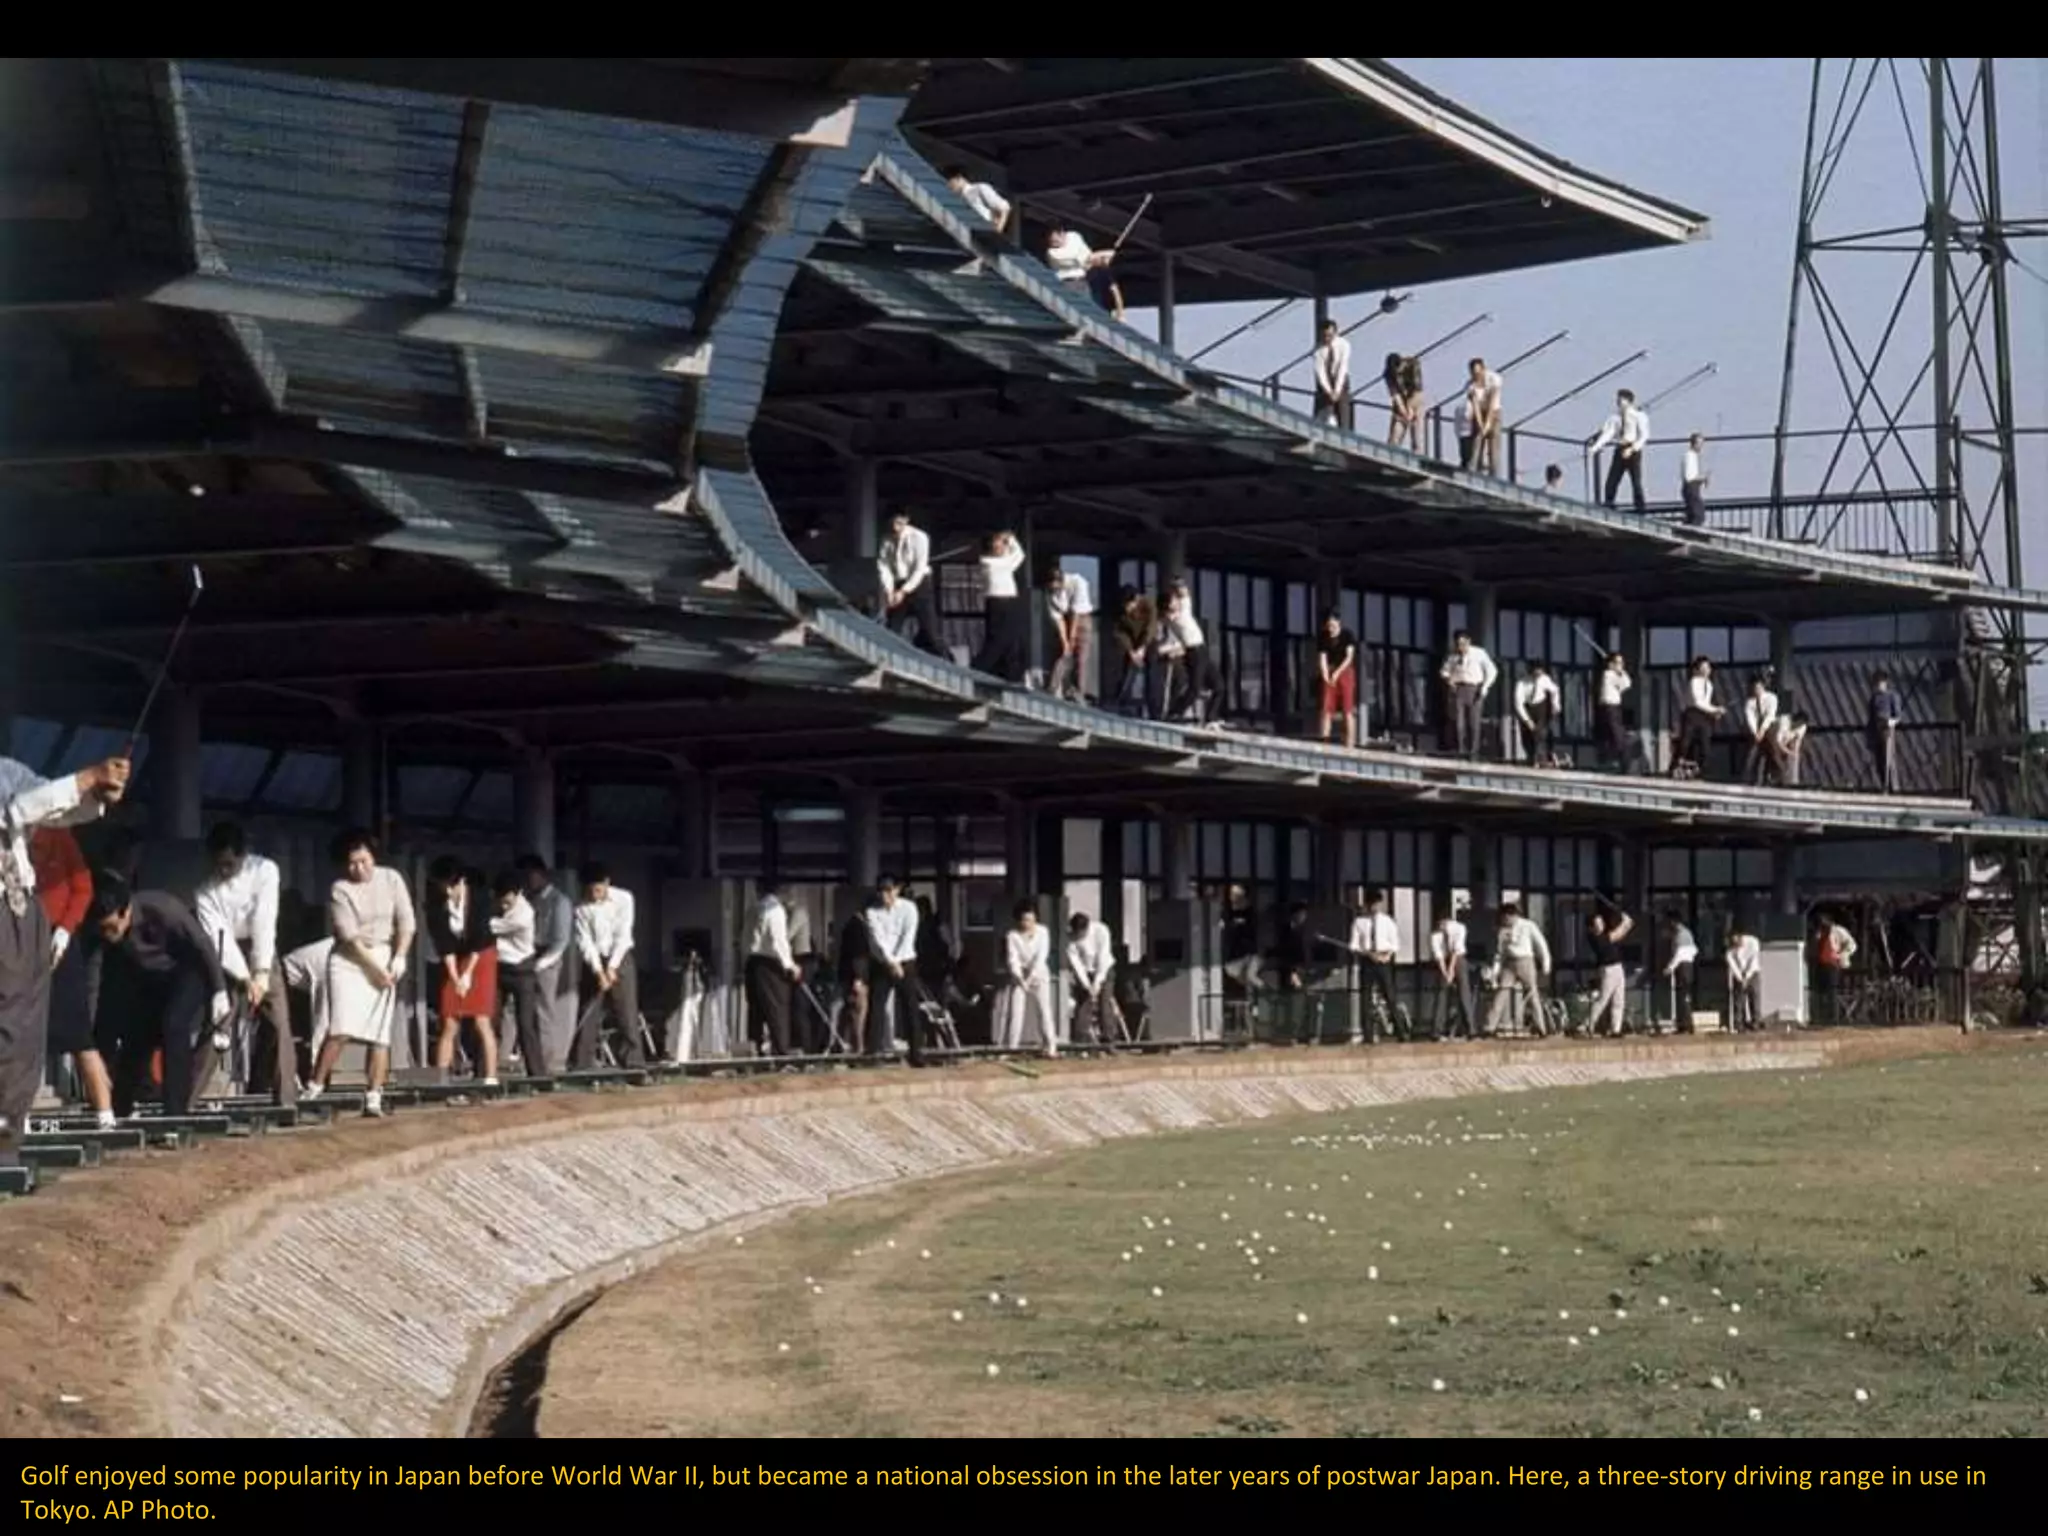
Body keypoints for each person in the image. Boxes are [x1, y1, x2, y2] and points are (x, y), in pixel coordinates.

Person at [1, 753, 128, 1161]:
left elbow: (53, 805)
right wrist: (88, 777)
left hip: (24, 909)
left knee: (24, 1036)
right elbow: (20, 808)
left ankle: (6, 1142)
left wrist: (96, 793)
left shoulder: (10, 769)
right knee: (11, 1025)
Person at [80, 870, 230, 1120]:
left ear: (125, 912)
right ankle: (117, 1109)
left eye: (111, 927)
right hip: (147, 979)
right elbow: (97, 978)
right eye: (102, 929)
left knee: (174, 1025)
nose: (108, 933)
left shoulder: (163, 908)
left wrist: (219, 989)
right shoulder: (102, 935)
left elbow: (202, 945)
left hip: (185, 972)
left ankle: (175, 1112)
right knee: (136, 1037)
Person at [303, 829, 414, 1118]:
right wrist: (375, 970)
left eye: (364, 860)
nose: (359, 868)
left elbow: (406, 921)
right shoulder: (340, 888)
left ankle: (374, 1095)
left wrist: (399, 956)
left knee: (379, 1033)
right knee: (340, 1028)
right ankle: (314, 1087)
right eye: (352, 863)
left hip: (384, 953)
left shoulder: (391, 878)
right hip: (350, 960)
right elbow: (349, 936)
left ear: (372, 855)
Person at [193, 820, 294, 1107]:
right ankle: (186, 1100)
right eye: (218, 864)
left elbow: (265, 919)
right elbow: (218, 937)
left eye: (229, 863)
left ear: (243, 854)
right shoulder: (205, 892)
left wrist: (261, 972)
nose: (224, 870)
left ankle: (285, 1101)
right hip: (227, 955)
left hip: (262, 948)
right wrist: (244, 978)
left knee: (279, 1024)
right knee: (218, 1023)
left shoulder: (264, 870)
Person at [31, 828, 113, 1129]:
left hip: (60, 940)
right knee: (18, 1032)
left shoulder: (59, 837)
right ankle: (16, 1114)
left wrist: (66, 929)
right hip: (20, 942)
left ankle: (105, 1114)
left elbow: (82, 887)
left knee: (79, 1033)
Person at [425, 857, 497, 1087]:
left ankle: (490, 1076)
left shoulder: (480, 899)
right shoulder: (435, 904)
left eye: (451, 886)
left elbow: (479, 938)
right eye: (442, 886)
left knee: (481, 1020)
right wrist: (456, 977)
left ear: (461, 882)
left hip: (482, 956)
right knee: (449, 1020)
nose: (447, 891)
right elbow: (443, 944)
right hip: (454, 958)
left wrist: (468, 974)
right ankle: (441, 1080)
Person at [570, 864, 642, 1069]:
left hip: (621, 957)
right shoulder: (581, 907)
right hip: (595, 961)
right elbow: (585, 943)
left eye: (598, 889)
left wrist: (612, 967)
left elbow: (624, 935)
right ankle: (582, 1064)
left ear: (607, 883)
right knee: (589, 1011)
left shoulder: (624, 899)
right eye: (590, 890)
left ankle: (633, 1062)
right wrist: (598, 971)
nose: (594, 894)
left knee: (626, 1010)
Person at [516, 854, 576, 1073]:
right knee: (521, 1010)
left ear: (541, 875)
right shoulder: (528, 900)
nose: (527, 881)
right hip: (526, 953)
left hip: (547, 958)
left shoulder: (559, 901)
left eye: (529, 875)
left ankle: (547, 1061)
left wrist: (541, 964)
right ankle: (524, 1059)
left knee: (543, 1010)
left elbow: (561, 941)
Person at [489, 871, 542, 1079]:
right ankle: (485, 1071)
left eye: (507, 901)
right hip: (499, 967)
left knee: (526, 1024)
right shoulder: (497, 903)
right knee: (490, 1021)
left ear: (517, 893)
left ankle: (537, 1074)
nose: (503, 905)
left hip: (522, 969)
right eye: (500, 900)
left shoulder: (524, 912)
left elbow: (491, 927)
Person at [863, 876, 920, 1061]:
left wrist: (899, 962)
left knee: (910, 1006)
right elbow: (878, 940)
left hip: (906, 960)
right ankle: (872, 1052)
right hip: (882, 963)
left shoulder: (909, 908)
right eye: (882, 891)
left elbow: (908, 936)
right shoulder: (872, 912)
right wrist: (891, 962)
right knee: (876, 1006)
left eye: (889, 890)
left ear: (897, 890)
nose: (885, 895)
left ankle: (916, 1053)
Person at [877, 510, 945, 658]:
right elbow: (884, 566)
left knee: (930, 630)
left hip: (920, 583)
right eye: (892, 523)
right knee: (892, 628)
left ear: (906, 520)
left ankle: (949, 663)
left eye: (899, 523)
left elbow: (919, 568)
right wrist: (889, 591)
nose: (895, 527)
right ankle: (886, 662)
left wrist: (904, 591)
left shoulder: (919, 537)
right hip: (898, 582)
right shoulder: (886, 539)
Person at [745, 881, 801, 1058]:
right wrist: (789, 965)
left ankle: (756, 1047)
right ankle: (781, 1051)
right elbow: (778, 941)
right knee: (777, 1007)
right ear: (781, 890)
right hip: (770, 963)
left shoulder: (753, 909)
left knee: (756, 1009)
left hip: (752, 961)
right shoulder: (774, 909)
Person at [997, 901, 1056, 1057]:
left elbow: (1041, 957)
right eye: (1025, 920)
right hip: (1019, 976)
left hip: (1040, 974)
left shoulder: (1043, 932)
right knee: (1016, 1012)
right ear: (1019, 920)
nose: (1029, 923)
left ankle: (1050, 1047)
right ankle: (1010, 1048)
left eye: (1031, 920)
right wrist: (1020, 979)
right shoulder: (1012, 936)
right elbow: (1012, 959)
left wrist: (1031, 978)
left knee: (1044, 1010)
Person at [1486, 901, 1552, 1037]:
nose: (1506, 921)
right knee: (1501, 994)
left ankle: (1541, 1027)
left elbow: (1541, 944)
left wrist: (1546, 963)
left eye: (1508, 918)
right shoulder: (1502, 930)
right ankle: (1489, 1027)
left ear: (1514, 915)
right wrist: (1495, 972)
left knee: (1532, 994)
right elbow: (1499, 953)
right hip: (1509, 963)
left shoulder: (1528, 925)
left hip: (1525, 960)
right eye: (1503, 918)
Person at [972, 530, 1029, 683]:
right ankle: (979, 667)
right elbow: (1017, 556)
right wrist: (1009, 539)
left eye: (1002, 544)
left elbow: (1019, 555)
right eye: (998, 543)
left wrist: (1010, 539)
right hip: (997, 602)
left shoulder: (1003, 561)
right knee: (999, 639)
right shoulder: (987, 561)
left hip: (1010, 602)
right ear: (991, 545)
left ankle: (1011, 675)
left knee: (1012, 639)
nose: (1002, 547)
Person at [1158, 580, 1218, 723]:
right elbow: (1182, 598)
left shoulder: (1182, 610)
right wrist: (1178, 586)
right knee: (1195, 688)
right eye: (1174, 601)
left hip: (1202, 649)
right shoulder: (1174, 617)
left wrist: (1178, 586)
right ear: (1169, 606)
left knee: (1219, 686)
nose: (1177, 601)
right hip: (1194, 653)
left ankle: (1211, 718)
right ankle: (1174, 712)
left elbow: (1184, 595)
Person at [1347, 888, 1402, 1044]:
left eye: (1377, 904)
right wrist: (1367, 953)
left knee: (1390, 996)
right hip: (1368, 959)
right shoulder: (1359, 922)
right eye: (1371, 904)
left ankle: (1400, 1031)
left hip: (1384, 960)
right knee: (1366, 998)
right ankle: (1368, 1035)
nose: (1374, 907)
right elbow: (1353, 945)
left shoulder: (1388, 921)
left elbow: (1395, 943)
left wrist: (1387, 956)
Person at [1440, 630, 1499, 760]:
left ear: (1469, 642)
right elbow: (1444, 671)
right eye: (1458, 644)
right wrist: (1449, 680)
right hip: (1458, 688)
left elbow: (1492, 671)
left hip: (1475, 688)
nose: (1461, 647)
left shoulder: (1479, 653)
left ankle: (1474, 751)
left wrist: (1485, 687)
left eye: (1463, 644)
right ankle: (1461, 749)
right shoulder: (1453, 656)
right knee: (1459, 722)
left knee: (1474, 721)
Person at [1590, 388, 1651, 512]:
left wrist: (1632, 449)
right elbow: (1608, 433)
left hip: (1632, 448)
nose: (1618, 402)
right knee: (1612, 480)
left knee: (1636, 482)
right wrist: (1595, 447)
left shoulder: (1638, 416)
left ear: (1628, 401)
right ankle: (1609, 505)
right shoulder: (1615, 418)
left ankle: (1640, 509)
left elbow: (1644, 435)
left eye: (1621, 399)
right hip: (1620, 447)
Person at [1045, 222, 1123, 320]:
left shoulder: (1074, 236)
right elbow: (1085, 260)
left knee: (1090, 310)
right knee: (1076, 313)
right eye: (1051, 242)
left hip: (1082, 282)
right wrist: (1106, 254)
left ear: (1062, 234)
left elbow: (1087, 254)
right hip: (1068, 283)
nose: (1053, 244)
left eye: (1055, 241)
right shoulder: (1053, 253)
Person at [1066, 911, 1122, 1046]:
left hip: (1104, 969)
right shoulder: (1070, 939)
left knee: (1104, 1003)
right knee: (1084, 1004)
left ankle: (1109, 1038)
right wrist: (1086, 985)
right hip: (1085, 972)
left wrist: (1097, 982)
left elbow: (1103, 956)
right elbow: (1076, 963)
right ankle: (1081, 1040)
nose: (1079, 936)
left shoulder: (1101, 930)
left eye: (1082, 932)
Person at [1043, 562, 1095, 702]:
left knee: (1081, 659)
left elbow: (1076, 612)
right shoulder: (1049, 593)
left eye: (1057, 586)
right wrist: (1065, 641)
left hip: (1082, 619)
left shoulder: (1078, 582)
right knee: (1063, 653)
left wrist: (1072, 637)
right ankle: (1052, 689)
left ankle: (1079, 693)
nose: (1054, 589)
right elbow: (1058, 619)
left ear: (1061, 581)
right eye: (1051, 587)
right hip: (1065, 619)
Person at [1586, 902, 1634, 1037]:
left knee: (1619, 1000)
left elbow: (1619, 934)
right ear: (1591, 927)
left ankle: (1616, 1029)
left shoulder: (1604, 934)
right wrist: (1626, 922)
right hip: (1608, 969)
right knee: (1603, 999)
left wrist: (1627, 924)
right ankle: (1590, 1025)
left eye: (1601, 923)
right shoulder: (1596, 938)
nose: (1600, 925)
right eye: (1597, 924)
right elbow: (1617, 934)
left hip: (1618, 968)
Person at [1429, 908, 1475, 1041]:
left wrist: (1451, 970)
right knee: (1441, 994)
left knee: (1464, 993)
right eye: (1440, 925)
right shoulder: (1435, 935)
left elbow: (1456, 950)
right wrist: (1445, 973)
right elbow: (1439, 956)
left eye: (1444, 924)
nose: (1442, 927)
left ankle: (1470, 1029)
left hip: (1458, 959)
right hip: (1444, 960)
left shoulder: (1459, 928)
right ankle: (1436, 1032)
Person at [834, 897, 873, 1056]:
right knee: (858, 1012)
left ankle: (846, 1044)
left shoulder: (851, 925)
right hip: (855, 977)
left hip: (847, 975)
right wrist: (858, 978)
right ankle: (858, 1047)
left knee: (850, 1013)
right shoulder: (858, 928)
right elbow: (858, 955)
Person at [1674, 656, 1723, 778]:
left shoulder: (1710, 685)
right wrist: (1714, 710)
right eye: (1704, 667)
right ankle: (1676, 765)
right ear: (1698, 669)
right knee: (1685, 741)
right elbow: (1697, 702)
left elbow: (1706, 703)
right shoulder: (1694, 681)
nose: (1707, 670)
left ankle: (1703, 770)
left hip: (1704, 715)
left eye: (1708, 667)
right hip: (1692, 713)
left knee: (1705, 743)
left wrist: (1715, 712)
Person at [1316, 609, 1359, 747]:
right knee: (1326, 709)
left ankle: (1350, 743)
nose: (1331, 628)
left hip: (1345, 672)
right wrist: (1325, 675)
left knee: (1347, 709)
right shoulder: (1323, 637)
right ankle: (1325, 742)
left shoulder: (1347, 635)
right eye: (1328, 626)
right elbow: (1322, 658)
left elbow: (1349, 657)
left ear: (1338, 623)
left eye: (1333, 625)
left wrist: (1337, 673)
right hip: (1331, 670)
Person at [1112, 586, 1156, 718]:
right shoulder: (1121, 611)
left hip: (1150, 642)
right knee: (1126, 673)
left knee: (1152, 674)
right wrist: (1131, 651)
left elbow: (1151, 627)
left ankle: (1153, 709)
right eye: (1125, 605)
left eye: (1129, 605)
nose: (1127, 609)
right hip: (1132, 642)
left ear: (1136, 600)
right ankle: (1122, 703)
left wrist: (1143, 647)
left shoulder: (1148, 604)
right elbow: (1119, 632)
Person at [1275, 903, 1316, 1043]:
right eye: (1301, 914)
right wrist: (1292, 972)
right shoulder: (1287, 932)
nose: (1303, 917)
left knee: (1304, 1002)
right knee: (1294, 1002)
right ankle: (1292, 1034)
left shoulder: (1305, 931)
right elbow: (1286, 954)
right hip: (1293, 970)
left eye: (1305, 914)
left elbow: (1307, 952)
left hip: (1304, 970)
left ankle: (1305, 1033)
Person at [1813, 910, 1857, 1027]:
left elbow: (1852, 945)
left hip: (1835, 964)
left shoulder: (1838, 931)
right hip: (1822, 964)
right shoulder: (1819, 933)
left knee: (1832, 991)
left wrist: (1842, 954)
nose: (1822, 925)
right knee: (1821, 991)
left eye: (1824, 922)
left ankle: (1834, 1018)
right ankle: (1821, 1016)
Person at [1514, 661, 1562, 766]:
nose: (1538, 676)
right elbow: (1518, 704)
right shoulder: (1522, 683)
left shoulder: (1545, 679)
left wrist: (1555, 705)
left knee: (1539, 733)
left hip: (1540, 707)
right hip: (1527, 708)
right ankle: (1530, 756)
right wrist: (1527, 720)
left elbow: (1555, 690)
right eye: (1536, 674)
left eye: (1540, 673)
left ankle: (1541, 757)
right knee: (1526, 734)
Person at [943, 164, 1010, 234]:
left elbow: (1004, 207)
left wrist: (998, 230)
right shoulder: (956, 200)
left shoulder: (979, 189)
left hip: (985, 233)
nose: (948, 186)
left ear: (958, 178)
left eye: (949, 181)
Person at [1662, 910, 1699, 1034]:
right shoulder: (1684, 934)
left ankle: (1686, 1024)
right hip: (1686, 967)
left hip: (1683, 967)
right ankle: (1684, 1023)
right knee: (1683, 996)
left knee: (1683, 997)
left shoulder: (1682, 934)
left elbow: (1680, 954)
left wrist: (1670, 967)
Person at [1596, 650, 1633, 771]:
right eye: (1618, 662)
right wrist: (1620, 672)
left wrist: (1621, 671)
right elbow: (1624, 683)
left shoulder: (1615, 674)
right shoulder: (1608, 674)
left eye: (1622, 663)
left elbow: (1627, 684)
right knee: (1616, 735)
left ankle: (1621, 762)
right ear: (1611, 664)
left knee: (1617, 735)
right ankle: (1619, 761)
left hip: (1615, 708)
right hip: (1609, 708)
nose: (1620, 665)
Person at [1312, 320, 1352, 429]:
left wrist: (1337, 390)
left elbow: (1342, 368)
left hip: (1341, 380)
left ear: (1335, 333)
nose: (1327, 339)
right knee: (1323, 411)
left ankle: (1345, 434)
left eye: (1330, 335)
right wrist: (1329, 391)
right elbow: (1320, 373)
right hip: (1326, 384)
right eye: (1324, 336)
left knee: (1343, 412)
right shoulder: (1318, 349)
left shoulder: (1344, 345)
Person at [1742, 673, 1780, 786]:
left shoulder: (1771, 698)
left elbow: (1770, 715)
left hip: (1769, 725)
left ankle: (1776, 772)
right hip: (1756, 729)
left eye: (1758, 687)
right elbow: (1750, 719)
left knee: (1771, 745)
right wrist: (1755, 733)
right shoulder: (1750, 702)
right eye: (1754, 688)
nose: (1756, 690)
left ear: (1763, 686)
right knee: (1753, 750)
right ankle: (1747, 777)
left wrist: (1762, 730)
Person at [1468, 358, 1503, 475]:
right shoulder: (1471, 386)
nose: (1476, 375)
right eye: (1473, 373)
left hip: (1494, 413)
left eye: (1478, 372)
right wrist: (1480, 424)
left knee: (1494, 450)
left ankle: (1494, 476)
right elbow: (1475, 406)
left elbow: (1493, 401)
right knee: (1476, 445)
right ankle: (1473, 473)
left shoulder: (1494, 379)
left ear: (1483, 369)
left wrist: (1488, 424)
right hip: (1480, 414)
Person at [1726, 920, 1763, 1033]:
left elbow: (1753, 960)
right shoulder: (1730, 950)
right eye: (1733, 941)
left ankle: (1755, 1022)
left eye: (1737, 939)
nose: (1736, 943)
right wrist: (1740, 979)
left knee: (1754, 997)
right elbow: (1732, 965)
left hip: (1753, 972)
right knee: (1739, 1000)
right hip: (1739, 974)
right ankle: (1739, 1024)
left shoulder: (1753, 942)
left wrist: (1747, 976)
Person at [1867, 671, 1901, 794]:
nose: (1877, 686)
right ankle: (1883, 784)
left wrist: (1891, 722)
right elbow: (1870, 718)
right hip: (1876, 729)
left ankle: (1892, 787)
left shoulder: (1892, 696)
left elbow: (1897, 715)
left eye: (1879, 683)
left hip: (1887, 729)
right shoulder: (1874, 698)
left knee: (1889, 759)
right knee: (1879, 759)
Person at [1384, 353, 1423, 451]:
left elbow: (1416, 389)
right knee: (1395, 435)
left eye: (1399, 372)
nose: (1397, 375)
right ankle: (1391, 454)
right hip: (1401, 399)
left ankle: (1417, 453)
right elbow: (1395, 394)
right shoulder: (1388, 373)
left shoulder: (1413, 365)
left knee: (1417, 435)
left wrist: (1410, 410)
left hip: (1415, 398)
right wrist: (1403, 411)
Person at [1771, 710, 1809, 787]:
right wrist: (1788, 752)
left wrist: (1795, 753)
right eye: (1799, 724)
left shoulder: (1802, 727)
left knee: (1795, 757)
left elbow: (1798, 741)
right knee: (1777, 756)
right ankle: (1781, 776)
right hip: (1772, 736)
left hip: (1788, 739)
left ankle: (1793, 780)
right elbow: (1778, 741)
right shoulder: (1784, 722)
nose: (1800, 726)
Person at [1680, 432, 1709, 525]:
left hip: (1691, 488)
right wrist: (1702, 478)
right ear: (1694, 444)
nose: (1701, 447)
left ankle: (1686, 531)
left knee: (1692, 515)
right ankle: (1692, 534)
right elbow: (1689, 477)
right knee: (1699, 515)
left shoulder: (1692, 456)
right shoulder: (1690, 456)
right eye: (1700, 444)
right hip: (1691, 489)